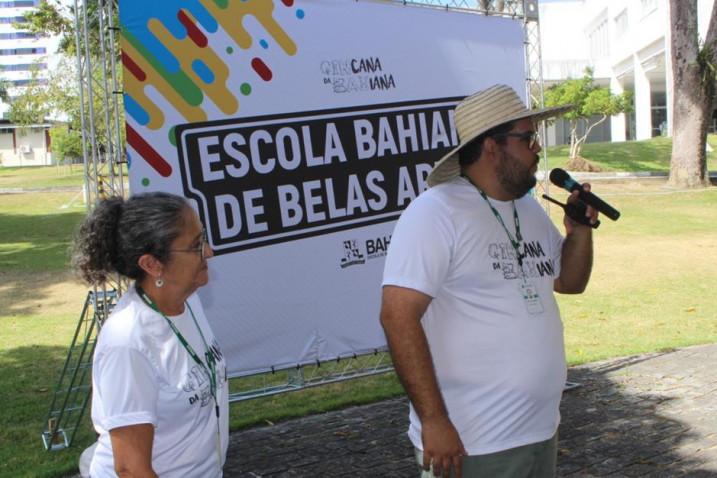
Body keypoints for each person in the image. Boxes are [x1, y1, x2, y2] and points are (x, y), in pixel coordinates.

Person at [380, 85, 597, 478]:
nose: (537, 149)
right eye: (528, 138)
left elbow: (568, 281)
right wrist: (434, 420)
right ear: (493, 147)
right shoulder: (435, 213)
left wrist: (579, 231)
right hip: (470, 444)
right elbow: (397, 317)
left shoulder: (527, 208)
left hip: (539, 431)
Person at [72, 192, 229, 477]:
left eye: (203, 238)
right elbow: (131, 469)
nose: (209, 252)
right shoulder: (128, 342)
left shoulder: (188, 302)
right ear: (152, 264)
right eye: (196, 246)